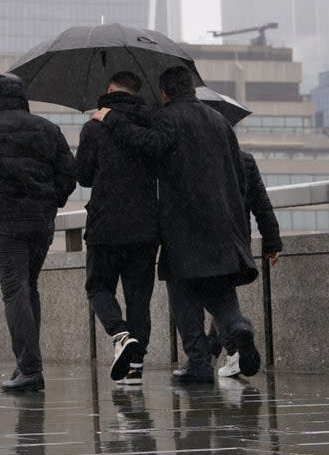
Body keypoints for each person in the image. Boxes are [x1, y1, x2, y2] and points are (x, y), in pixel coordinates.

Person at [92, 65, 261, 383]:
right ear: (192, 89)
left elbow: (150, 145)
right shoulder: (220, 122)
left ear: (166, 93)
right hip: (224, 222)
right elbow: (238, 174)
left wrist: (111, 118)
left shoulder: (167, 117)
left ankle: (197, 363)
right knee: (220, 291)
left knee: (183, 292)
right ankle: (239, 326)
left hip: (184, 222)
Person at [0, 73, 77, 392]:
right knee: (29, 288)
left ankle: (30, 368)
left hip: (4, 222)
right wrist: (51, 202)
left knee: (14, 290)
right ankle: (27, 364)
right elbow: (68, 173)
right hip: (40, 220)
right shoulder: (48, 129)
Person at [75, 71, 160, 386]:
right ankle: (135, 369)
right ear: (137, 92)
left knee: (98, 287)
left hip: (105, 224)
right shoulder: (152, 124)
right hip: (145, 226)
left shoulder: (94, 126)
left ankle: (120, 334)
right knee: (139, 297)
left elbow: (82, 176)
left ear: (109, 89)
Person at [210, 150, 283, 378]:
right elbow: (261, 203)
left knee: (215, 296)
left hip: (204, 239)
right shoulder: (244, 159)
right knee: (223, 294)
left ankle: (233, 351)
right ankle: (216, 352)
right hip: (239, 242)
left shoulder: (198, 155)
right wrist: (272, 241)